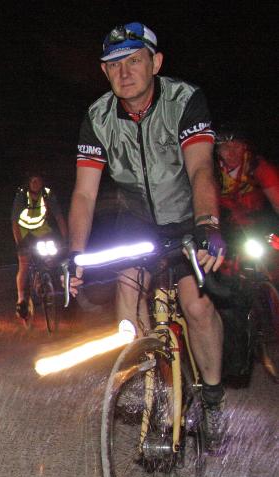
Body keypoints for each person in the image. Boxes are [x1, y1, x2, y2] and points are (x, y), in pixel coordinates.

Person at [66, 22, 229, 452]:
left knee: (196, 304)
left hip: (187, 216)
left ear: (155, 63)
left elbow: (200, 170)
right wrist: (75, 255)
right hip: (137, 219)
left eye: (134, 60)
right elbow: (84, 194)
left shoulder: (184, 101)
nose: (125, 72)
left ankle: (211, 397)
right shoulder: (98, 118)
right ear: (104, 72)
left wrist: (209, 225)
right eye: (114, 65)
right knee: (126, 287)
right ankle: (139, 377)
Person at [11, 173, 68, 319]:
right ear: (28, 183)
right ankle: (21, 300)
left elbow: (59, 217)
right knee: (24, 264)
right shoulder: (22, 196)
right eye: (32, 181)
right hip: (24, 231)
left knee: (50, 253)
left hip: (41, 230)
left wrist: (65, 238)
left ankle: (46, 281)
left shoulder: (47, 194)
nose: (36, 183)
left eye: (38, 180)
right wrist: (19, 243)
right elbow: (15, 222)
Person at [215, 126, 279, 240]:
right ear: (218, 150)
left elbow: (277, 202)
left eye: (236, 146)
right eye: (225, 147)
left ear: (245, 146)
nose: (231, 153)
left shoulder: (257, 166)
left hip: (259, 224)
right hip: (227, 228)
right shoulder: (213, 171)